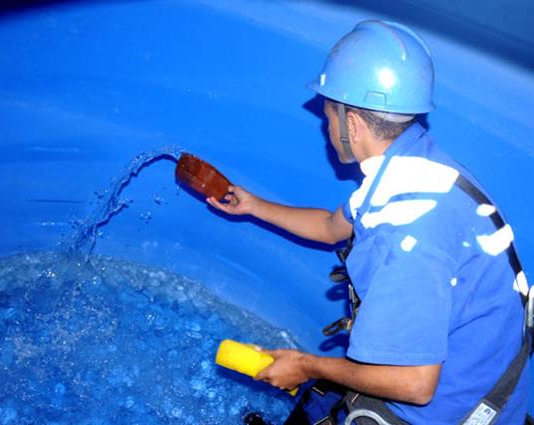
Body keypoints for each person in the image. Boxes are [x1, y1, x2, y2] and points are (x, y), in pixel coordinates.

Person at [206, 20, 530, 424]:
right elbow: (330, 226)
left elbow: (415, 384)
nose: (327, 130)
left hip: (453, 410)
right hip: (486, 372)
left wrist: (308, 365)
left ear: (353, 124)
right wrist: (253, 205)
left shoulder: (405, 239)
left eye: (328, 117)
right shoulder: (419, 167)